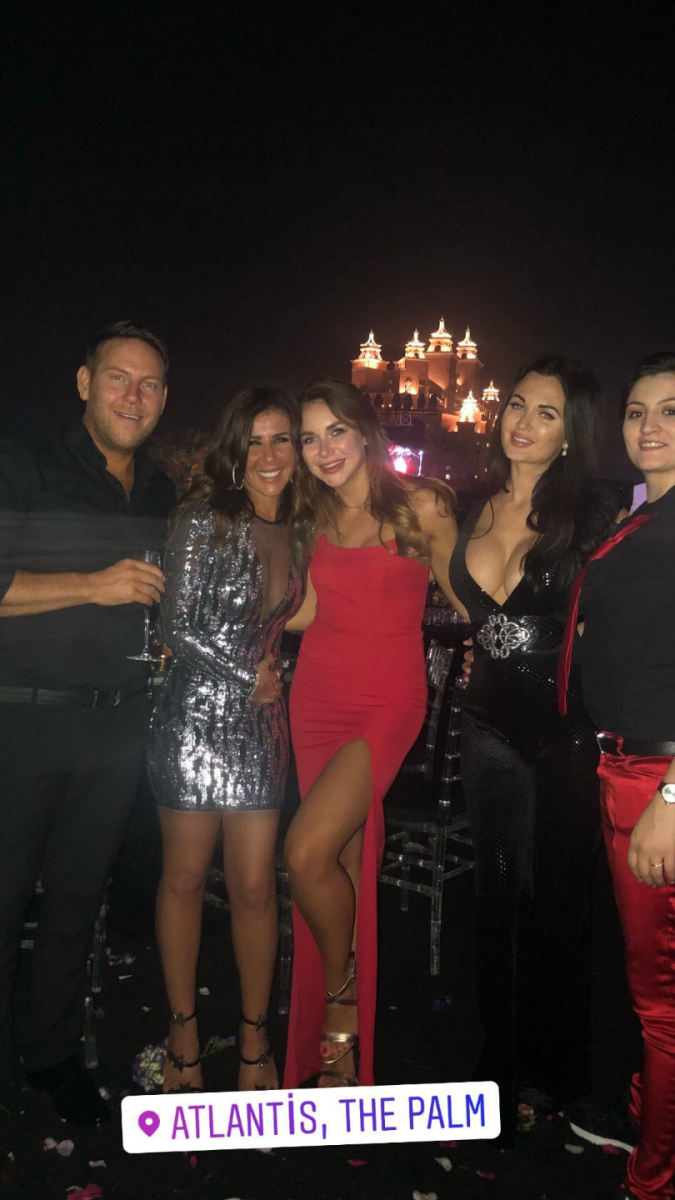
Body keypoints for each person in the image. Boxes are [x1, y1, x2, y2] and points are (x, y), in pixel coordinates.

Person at [0, 321, 175, 1125]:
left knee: (76, 900)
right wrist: (93, 585)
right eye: (117, 378)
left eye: (149, 384)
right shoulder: (27, 463)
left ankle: (51, 1054)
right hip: (23, 719)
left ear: (164, 399)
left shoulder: (160, 491)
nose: (132, 396)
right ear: (84, 383)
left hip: (117, 725)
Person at [448, 356, 618, 1142]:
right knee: (493, 900)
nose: (521, 422)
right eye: (516, 404)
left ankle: (555, 1075)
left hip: (563, 733)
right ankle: (497, 1067)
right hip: (484, 728)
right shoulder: (473, 506)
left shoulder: (593, 512)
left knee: (557, 906)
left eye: (545, 413)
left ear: (569, 433)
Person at [282, 378, 457, 1088]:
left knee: (304, 852)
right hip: (315, 698)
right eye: (309, 437)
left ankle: (342, 991)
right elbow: (306, 613)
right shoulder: (312, 517)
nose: (322, 449)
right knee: (342, 861)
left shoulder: (422, 505)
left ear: (365, 433)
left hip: (387, 702)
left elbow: (466, 595)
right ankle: (338, 1047)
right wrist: (233, 621)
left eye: (335, 431)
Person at [147, 387, 304, 1093]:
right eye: (255, 440)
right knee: (184, 877)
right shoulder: (204, 518)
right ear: (235, 450)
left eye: (282, 439)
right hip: (192, 720)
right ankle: (182, 1031)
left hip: (261, 727)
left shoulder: (300, 527)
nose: (269, 455)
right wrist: (248, 676)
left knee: (254, 886)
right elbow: (174, 624)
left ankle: (253, 1038)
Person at [559, 351, 675, 1200]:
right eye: (637, 411)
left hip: (658, 779)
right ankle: (650, 1117)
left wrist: (671, 793)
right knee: (653, 987)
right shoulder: (644, 514)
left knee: (661, 998)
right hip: (624, 768)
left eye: (670, 410)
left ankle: (654, 1177)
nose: (648, 426)